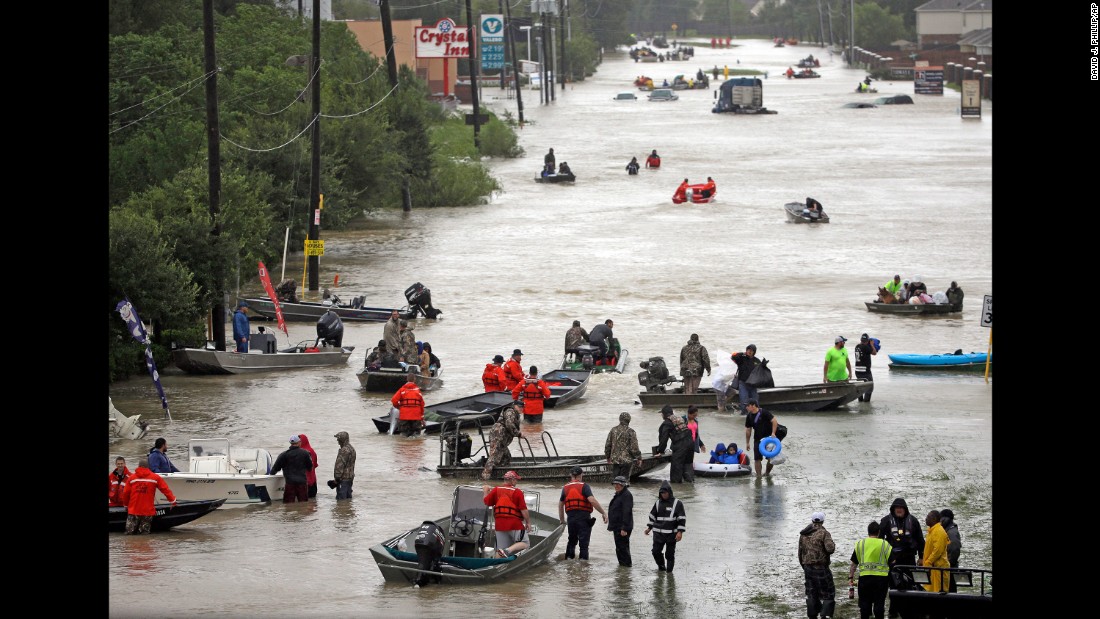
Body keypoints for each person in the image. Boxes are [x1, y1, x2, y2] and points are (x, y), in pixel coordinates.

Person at [879, 497, 926, 616]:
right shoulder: (885, 521)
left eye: (901, 508)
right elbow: (879, 540)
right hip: (893, 560)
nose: (899, 510)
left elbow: (920, 540)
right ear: (893, 509)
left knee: (911, 584)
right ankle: (893, 611)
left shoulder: (914, 521)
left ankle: (909, 611)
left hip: (909, 558)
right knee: (894, 586)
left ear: (905, 509)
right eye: (897, 508)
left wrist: (921, 557)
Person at [558, 466, 608, 560]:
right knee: (584, 544)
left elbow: (561, 505)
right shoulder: (584, 486)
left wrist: (562, 520)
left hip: (571, 518)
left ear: (571, 475)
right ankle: (583, 567)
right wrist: (603, 512)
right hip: (584, 518)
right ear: (581, 475)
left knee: (571, 541)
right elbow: (592, 500)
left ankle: (569, 564)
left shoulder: (565, 488)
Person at [120, 456, 176, 534]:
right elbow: (165, 489)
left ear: (138, 466)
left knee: (129, 533)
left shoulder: (132, 478)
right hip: (147, 511)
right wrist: (173, 501)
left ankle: (131, 546)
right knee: (144, 534)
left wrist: (126, 505)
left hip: (133, 510)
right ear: (148, 467)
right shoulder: (155, 478)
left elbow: (125, 493)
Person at [849, 521, 893, 619]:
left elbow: (853, 564)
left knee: (864, 605)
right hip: (881, 580)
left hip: (865, 579)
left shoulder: (861, 544)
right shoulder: (885, 544)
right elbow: (893, 561)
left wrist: (851, 577)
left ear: (868, 532)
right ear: (879, 532)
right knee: (879, 605)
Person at [483, 471, 533, 558]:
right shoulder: (518, 492)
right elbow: (523, 510)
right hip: (514, 524)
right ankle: (508, 550)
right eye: (516, 480)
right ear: (512, 480)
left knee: (500, 551)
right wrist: (528, 522)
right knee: (525, 544)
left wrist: (485, 491)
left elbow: (487, 502)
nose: (516, 482)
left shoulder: (496, 490)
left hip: (499, 525)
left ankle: (495, 566)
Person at [798, 511, 837, 619]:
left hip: (807, 567)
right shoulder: (824, 533)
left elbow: (800, 553)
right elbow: (830, 549)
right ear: (822, 521)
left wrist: (804, 566)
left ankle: (812, 614)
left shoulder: (804, 533)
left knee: (811, 592)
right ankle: (825, 615)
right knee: (828, 592)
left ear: (812, 520)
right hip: (821, 567)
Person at [644, 480, 686, 572]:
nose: (663, 494)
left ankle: (669, 574)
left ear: (669, 492)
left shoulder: (677, 503)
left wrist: (680, 532)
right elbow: (652, 516)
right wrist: (649, 528)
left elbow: (682, 519)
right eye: (662, 493)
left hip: (671, 535)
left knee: (669, 554)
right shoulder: (658, 503)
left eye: (665, 492)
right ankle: (662, 568)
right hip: (658, 534)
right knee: (655, 552)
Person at [481, 402, 522, 480]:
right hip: (498, 435)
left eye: (523, 407)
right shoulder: (510, 411)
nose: (521, 409)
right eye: (520, 407)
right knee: (494, 457)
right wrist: (518, 434)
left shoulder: (515, 414)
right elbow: (509, 424)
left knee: (506, 457)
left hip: (502, 437)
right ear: (515, 406)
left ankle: (503, 476)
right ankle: (485, 478)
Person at [270, 435, 314, 503]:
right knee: (303, 505)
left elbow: (275, 469)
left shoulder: (283, 455)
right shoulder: (306, 453)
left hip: (290, 483)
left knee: (288, 504)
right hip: (302, 483)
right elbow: (310, 468)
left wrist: (271, 474)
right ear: (299, 442)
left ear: (290, 443)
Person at [744, 399, 778, 477]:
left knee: (770, 457)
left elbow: (774, 421)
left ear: (753, 406)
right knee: (757, 459)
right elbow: (748, 430)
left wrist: (773, 433)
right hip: (757, 439)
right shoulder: (749, 416)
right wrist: (747, 443)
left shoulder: (764, 412)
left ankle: (767, 473)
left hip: (768, 438)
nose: (746, 408)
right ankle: (759, 476)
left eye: (747, 406)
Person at [604, 412, 643, 479]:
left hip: (615, 461)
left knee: (616, 481)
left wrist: (608, 457)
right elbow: (634, 448)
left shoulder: (613, 430)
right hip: (626, 461)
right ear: (629, 420)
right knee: (624, 482)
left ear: (620, 419)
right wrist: (639, 458)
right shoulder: (631, 431)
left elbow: (608, 445)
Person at [607, 475, 634, 567]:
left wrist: (624, 528)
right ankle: (623, 569)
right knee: (619, 548)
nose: (616, 486)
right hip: (617, 527)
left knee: (622, 548)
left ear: (623, 485)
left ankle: (626, 568)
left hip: (622, 527)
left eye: (618, 484)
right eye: (615, 484)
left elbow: (627, 512)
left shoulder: (626, 495)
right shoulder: (619, 494)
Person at [921, 510, 950, 593]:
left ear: (934, 519)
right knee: (930, 591)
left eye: (928, 517)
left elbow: (938, 550)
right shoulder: (931, 531)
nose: (926, 519)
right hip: (931, 568)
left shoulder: (939, 531)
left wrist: (928, 561)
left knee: (938, 592)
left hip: (938, 568)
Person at [412, 519, 446, 588]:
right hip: (427, 550)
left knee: (423, 561)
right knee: (427, 560)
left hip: (422, 548)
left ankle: (420, 580)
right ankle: (422, 579)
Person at [391, 370, 425, 436]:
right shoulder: (418, 391)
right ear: (414, 379)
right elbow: (422, 404)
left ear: (407, 379)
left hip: (404, 416)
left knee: (404, 435)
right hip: (416, 416)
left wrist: (399, 407)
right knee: (416, 436)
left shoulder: (402, 390)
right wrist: (422, 418)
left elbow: (394, 400)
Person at [731, 344, 762, 409]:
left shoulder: (757, 361)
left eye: (751, 350)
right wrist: (742, 353)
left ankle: (755, 415)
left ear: (754, 352)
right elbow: (733, 357)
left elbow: (761, 372)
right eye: (748, 350)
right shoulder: (741, 359)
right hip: (743, 384)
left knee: (755, 402)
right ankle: (744, 415)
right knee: (744, 402)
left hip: (753, 385)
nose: (749, 351)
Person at [939, 509, 962, 592]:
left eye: (940, 519)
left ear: (945, 519)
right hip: (948, 567)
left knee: (950, 590)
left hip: (949, 569)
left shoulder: (951, 533)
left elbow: (954, 549)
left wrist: (948, 564)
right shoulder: (948, 531)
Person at [669, 414, 695, 483]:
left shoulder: (674, 425)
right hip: (690, 444)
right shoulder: (685, 424)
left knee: (680, 465)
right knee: (688, 464)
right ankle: (689, 481)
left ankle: (680, 482)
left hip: (684, 445)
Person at [853, 333, 878, 402]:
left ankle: (860, 401)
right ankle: (866, 403)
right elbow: (874, 353)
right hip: (865, 371)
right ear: (867, 341)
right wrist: (872, 345)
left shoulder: (857, 346)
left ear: (861, 340)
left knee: (860, 387)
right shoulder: (866, 347)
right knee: (869, 387)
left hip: (857, 371)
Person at [332, 431, 356, 500]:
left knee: (341, 500)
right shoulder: (352, 449)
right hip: (350, 477)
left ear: (342, 440)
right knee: (348, 498)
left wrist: (337, 479)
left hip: (343, 479)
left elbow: (339, 466)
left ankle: (342, 510)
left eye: (338, 439)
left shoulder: (344, 450)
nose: (337, 440)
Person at [298, 433, 319, 499]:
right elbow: (315, 465)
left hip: (304, 482)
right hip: (313, 481)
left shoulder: (300, 452)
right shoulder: (312, 451)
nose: (297, 443)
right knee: (312, 503)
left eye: (299, 441)